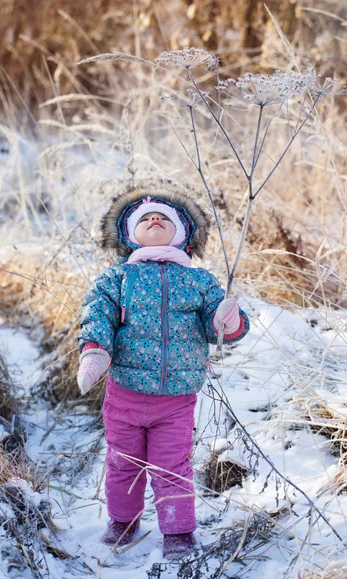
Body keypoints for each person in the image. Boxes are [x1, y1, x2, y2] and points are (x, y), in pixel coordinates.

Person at [77, 188, 249, 559]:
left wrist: (227, 320)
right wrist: (94, 352)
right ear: (128, 234)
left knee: (172, 465)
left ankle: (178, 532)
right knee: (124, 462)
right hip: (125, 393)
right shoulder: (118, 278)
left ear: (183, 233)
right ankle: (123, 522)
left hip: (176, 399)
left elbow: (217, 326)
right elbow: (98, 316)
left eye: (164, 219)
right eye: (144, 219)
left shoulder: (199, 281)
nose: (154, 220)